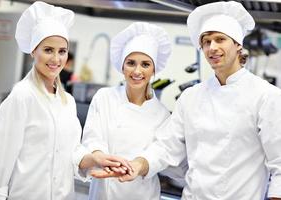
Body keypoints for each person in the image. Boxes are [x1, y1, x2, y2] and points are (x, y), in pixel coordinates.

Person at [92, 1, 281, 200]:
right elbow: (166, 146)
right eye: (206, 42)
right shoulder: (191, 96)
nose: (212, 47)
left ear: (237, 44)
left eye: (220, 39)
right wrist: (137, 166)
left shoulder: (266, 96)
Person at [0, 2, 131, 200]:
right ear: (34, 50)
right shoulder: (22, 96)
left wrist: (94, 158)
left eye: (62, 51)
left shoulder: (67, 102)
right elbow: (0, 157)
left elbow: (71, 153)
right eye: (48, 50)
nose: (56, 58)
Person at [81, 22, 173, 200]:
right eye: (131, 63)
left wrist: (136, 166)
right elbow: (93, 138)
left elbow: (159, 156)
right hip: (103, 192)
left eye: (145, 64)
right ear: (122, 66)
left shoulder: (162, 114)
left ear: (154, 69)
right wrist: (101, 158)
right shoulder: (104, 97)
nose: (137, 71)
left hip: (141, 194)